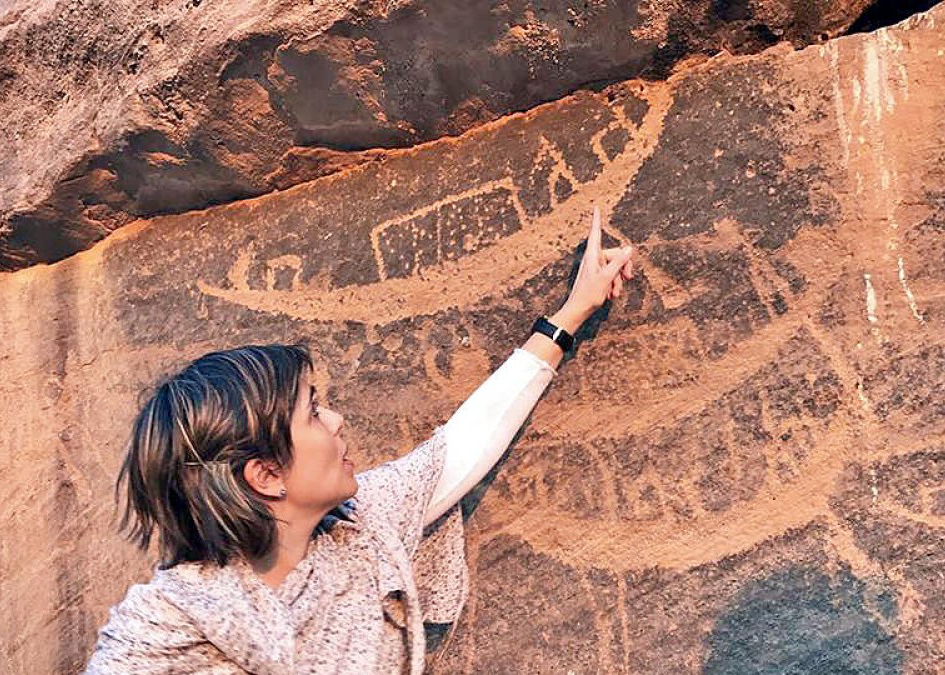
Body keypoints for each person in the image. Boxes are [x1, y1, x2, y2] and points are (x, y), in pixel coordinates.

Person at [84, 207, 635, 674]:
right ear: (266, 475)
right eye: (313, 412)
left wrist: (573, 312)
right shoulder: (159, 635)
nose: (337, 419)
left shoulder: (358, 531)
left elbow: (458, 452)